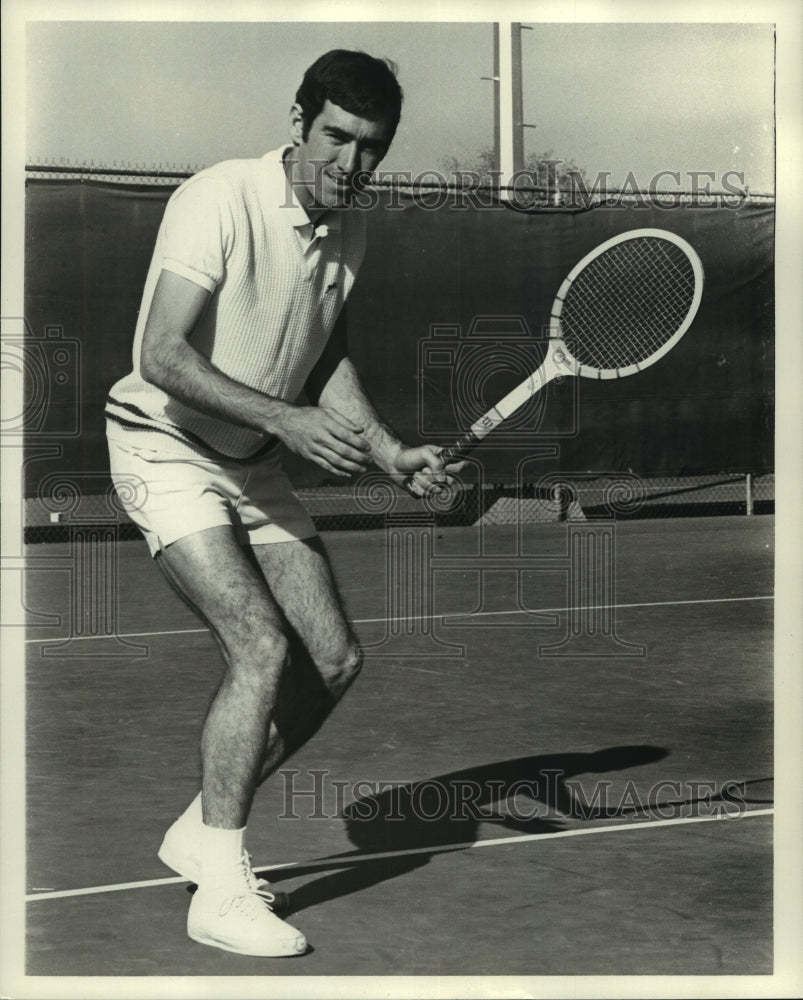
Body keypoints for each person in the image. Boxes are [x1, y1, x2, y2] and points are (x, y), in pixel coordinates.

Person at [106, 50, 459, 958]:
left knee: (333, 658)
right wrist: (290, 423)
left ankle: (200, 827)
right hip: (162, 448)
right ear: (298, 123)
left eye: (371, 149)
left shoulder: (350, 227)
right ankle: (218, 891)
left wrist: (384, 449)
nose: (351, 164)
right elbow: (163, 356)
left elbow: (325, 348)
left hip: (253, 460)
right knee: (260, 644)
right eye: (336, 138)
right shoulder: (218, 198)